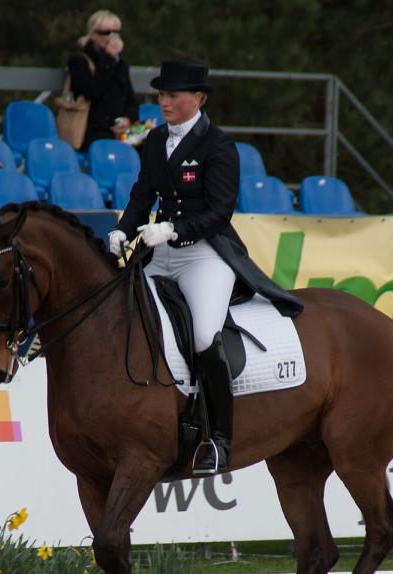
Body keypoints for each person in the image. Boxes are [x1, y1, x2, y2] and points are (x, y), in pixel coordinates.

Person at [108, 61, 303, 475]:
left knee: (202, 335)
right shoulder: (156, 139)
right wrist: (124, 229)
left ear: (197, 99)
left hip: (205, 255)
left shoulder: (218, 146)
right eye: (160, 95)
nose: (164, 102)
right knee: (124, 316)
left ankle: (219, 439)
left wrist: (176, 229)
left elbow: (219, 212)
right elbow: (143, 193)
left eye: (173, 95)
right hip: (160, 253)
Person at [66, 10, 138, 150]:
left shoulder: (121, 64)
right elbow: (92, 91)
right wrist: (108, 59)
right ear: (93, 35)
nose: (112, 37)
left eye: (116, 32)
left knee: (152, 147)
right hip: (91, 130)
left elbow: (131, 101)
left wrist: (128, 119)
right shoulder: (79, 60)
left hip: (120, 131)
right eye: (106, 32)